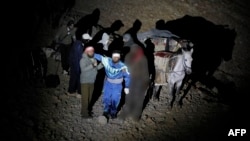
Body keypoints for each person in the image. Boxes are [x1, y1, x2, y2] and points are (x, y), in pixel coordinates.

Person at [94, 50, 130, 119]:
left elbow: (127, 76)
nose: (115, 58)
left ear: (119, 57)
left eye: (117, 57)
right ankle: (106, 110)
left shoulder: (123, 66)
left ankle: (113, 112)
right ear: (112, 56)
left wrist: (127, 86)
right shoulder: (107, 60)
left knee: (115, 99)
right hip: (108, 83)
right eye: (114, 56)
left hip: (117, 85)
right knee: (106, 97)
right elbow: (98, 56)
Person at [120, 44, 149, 121]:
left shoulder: (143, 58)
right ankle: (126, 112)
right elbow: (125, 68)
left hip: (140, 80)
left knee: (139, 98)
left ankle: (135, 115)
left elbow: (146, 71)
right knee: (129, 97)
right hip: (131, 80)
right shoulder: (129, 57)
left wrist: (146, 82)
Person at [80, 46, 103, 118]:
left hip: (92, 81)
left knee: (89, 98)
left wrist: (102, 64)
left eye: (92, 51)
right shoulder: (83, 60)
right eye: (90, 51)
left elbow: (96, 68)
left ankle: (86, 110)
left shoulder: (94, 59)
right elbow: (83, 69)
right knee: (85, 98)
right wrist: (92, 65)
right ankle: (85, 114)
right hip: (85, 81)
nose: (92, 52)